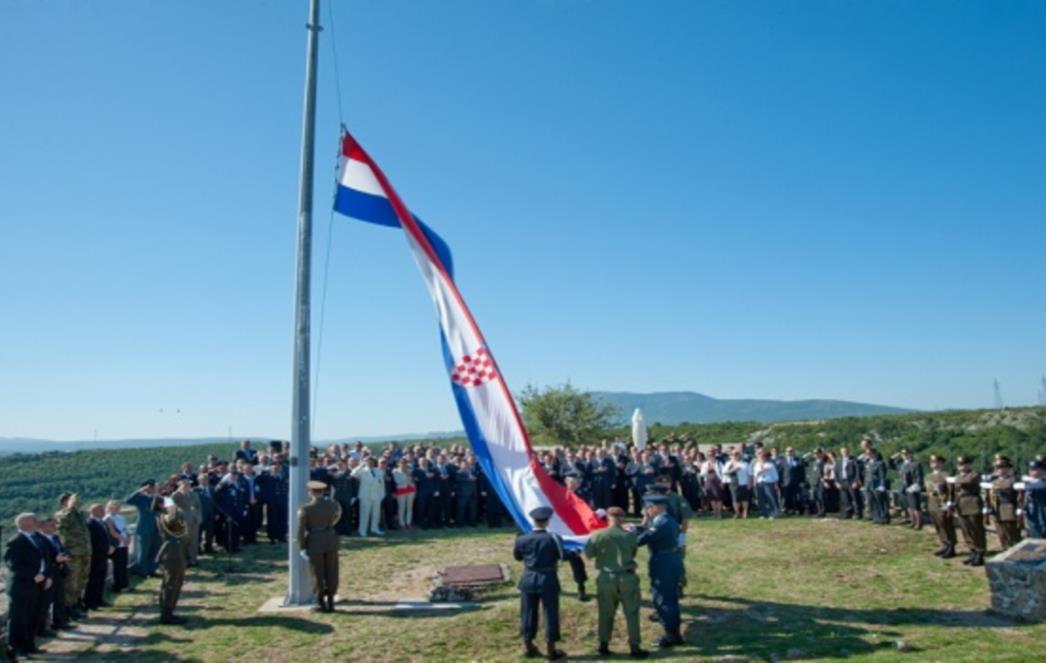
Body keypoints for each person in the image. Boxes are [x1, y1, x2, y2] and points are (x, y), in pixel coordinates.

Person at [583, 506, 647, 660]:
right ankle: (634, 646)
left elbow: (588, 554)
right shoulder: (630, 536)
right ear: (622, 518)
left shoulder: (597, 535)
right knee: (631, 613)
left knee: (605, 612)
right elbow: (633, 552)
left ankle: (603, 645)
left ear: (607, 518)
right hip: (627, 577)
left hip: (606, 578)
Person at [513, 506, 566, 661]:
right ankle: (551, 649)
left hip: (528, 576)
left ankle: (528, 645)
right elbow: (561, 556)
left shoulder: (522, 538)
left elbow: (517, 557)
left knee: (528, 612)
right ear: (547, 521)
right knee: (550, 613)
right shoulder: (553, 538)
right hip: (548, 576)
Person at [633, 494, 684, 648]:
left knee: (663, 598)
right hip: (669, 560)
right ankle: (674, 632)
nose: (646, 511)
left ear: (657, 507)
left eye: (648, 507)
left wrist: (626, 535)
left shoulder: (662, 522)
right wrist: (636, 528)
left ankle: (670, 634)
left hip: (663, 563)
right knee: (669, 597)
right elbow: (647, 530)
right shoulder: (665, 519)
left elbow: (641, 540)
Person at [4, 513, 49, 659]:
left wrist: (45, 576)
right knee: (19, 618)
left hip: (37, 583)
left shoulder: (36, 538)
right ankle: (16, 649)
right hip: (21, 586)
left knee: (33, 615)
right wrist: (32, 575)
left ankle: (29, 645)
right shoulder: (16, 541)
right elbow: (13, 565)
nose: (38, 522)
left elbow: (44, 559)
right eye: (34, 520)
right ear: (24, 523)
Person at [297, 480, 342, 613]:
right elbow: (336, 518)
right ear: (323, 492)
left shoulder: (306, 508)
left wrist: (302, 546)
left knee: (317, 573)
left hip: (315, 540)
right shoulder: (332, 505)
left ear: (310, 492)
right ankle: (331, 600)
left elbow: (300, 530)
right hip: (330, 538)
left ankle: (320, 602)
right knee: (332, 571)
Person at [55, 492, 91, 616]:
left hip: (84, 552)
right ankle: (69, 608)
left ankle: (77, 603)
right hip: (73, 554)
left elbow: (87, 516)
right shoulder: (63, 515)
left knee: (81, 580)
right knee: (71, 582)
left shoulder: (79, 516)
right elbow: (61, 524)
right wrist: (70, 508)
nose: (77, 503)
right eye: (74, 501)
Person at [37, 517, 74, 633]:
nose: (54, 527)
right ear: (42, 526)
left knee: (59, 597)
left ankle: (59, 622)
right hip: (48, 572)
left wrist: (66, 555)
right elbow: (41, 556)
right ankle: (42, 627)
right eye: (51, 525)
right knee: (45, 601)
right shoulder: (39, 539)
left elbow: (63, 549)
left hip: (59, 571)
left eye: (55, 525)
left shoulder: (55, 537)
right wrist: (55, 559)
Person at [156, 495, 189, 624]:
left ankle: (169, 610)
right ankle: (166, 613)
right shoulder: (163, 517)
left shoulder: (167, 516)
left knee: (176, 582)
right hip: (171, 552)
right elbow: (174, 519)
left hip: (177, 550)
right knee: (171, 583)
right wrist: (172, 507)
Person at [952, 455, 987, 566]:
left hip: (972, 503)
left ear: (969, 465)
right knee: (966, 529)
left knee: (976, 529)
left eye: (964, 465)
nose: (961, 467)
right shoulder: (958, 476)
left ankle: (980, 552)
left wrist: (958, 479)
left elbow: (967, 481)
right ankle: (972, 550)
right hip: (961, 504)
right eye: (959, 465)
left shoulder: (974, 474)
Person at [126, 481, 161, 576]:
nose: (153, 489)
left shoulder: (159, 498)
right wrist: (140, 490)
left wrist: (158, 494)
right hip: (144, 527)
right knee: (143, 550)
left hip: (157, 527)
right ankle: (142, 571)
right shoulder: (141, 498)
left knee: (155, 549)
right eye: (151, 487)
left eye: (154, 487)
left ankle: (152, 569)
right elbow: (128, 500)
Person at [924, 455, 957, 559]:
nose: (934, 464)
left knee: (946, 525)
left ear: (941, 463)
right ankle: (944, 544)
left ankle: (951, 546)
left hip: (942, 503)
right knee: (938, 525)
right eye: (932, 462)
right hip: (932, 503)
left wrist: (950, 502)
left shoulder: (945, 475)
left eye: (937, 462)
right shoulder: (928, 476)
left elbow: (951, 490)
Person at [84, 503, 114, 610]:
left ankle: (99, 599)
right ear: (94, 511)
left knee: (102, 577)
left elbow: (106, 536)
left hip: (103, 554)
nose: (103, 511)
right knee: (94, 578)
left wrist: (110, 546)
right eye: (101, 510)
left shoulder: (102, 522)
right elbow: (92, 540)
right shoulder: (90, 523)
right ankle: (91, 602)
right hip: (96, 554)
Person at [987, 456, 1021, 551]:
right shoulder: (994, 481)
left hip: (1008, 509)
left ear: (1007, 468)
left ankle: (1015, 554)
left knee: (1012, 534)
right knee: (1002, 534)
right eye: (996, 467)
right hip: (997, 509)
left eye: (1001, 467)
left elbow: (1010, 489)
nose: (998, 470)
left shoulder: (1013, 480)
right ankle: (1005, 551)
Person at [353, 457, 385, 536]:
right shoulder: (362, 471)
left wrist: (382, 495)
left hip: (377, 495)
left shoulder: (378, 471)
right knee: (364, 514)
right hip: (365, 496)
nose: (371, 464)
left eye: (372, 462)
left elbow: (382, 484)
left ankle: (375, 529)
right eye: (369, 462)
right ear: (366, 463)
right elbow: (353, 474)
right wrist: (361, 464)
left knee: (376, 514)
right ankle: (362, 530)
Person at [173, 479, 203, 565]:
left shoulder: (194, 494)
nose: (187, 486)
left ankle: (193, 558)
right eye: (185, 485)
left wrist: (199, 517)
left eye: (188, 485)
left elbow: (198, 506)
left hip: (194, 520)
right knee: (184, 540)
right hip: (182, 519)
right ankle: (183, 559)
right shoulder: (177, 494)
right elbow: (169, 505)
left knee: (194, 539)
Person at [104, 500, 130, 591]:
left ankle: (124, 584)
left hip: (124, 543)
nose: (117, 509)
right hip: (117, 544)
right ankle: (118, 585)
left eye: (118, 507)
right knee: (118, 566)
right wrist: (123, 539)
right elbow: (112, 532)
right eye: (114, 507)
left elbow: (125, 528)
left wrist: (128, 538)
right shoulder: (108, 518)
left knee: (124, 564)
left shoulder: (120, 518)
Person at [897, 450, 924, 529]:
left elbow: (919, 476)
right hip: (903, 487)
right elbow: (890, 463)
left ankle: (919, 523)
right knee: (908, 506)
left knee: (915, 506)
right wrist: (896, 455)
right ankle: (913, 521)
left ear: (910, 454)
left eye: (906, 454)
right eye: (903, 454)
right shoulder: (902, 464)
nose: (904, 455)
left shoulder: (915, 464)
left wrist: (917, 485)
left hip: (912, 487)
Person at [864, 450, 890, 525]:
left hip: (877, 484)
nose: (868, 455)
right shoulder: (868, 463)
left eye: (869, 453)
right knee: (871, 501)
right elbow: (866, 475)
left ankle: (884, 518)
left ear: (874, 454)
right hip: (868, 485)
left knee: (880, 501)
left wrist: (882, 485)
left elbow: (882, 476)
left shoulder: (880, 463)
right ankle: (876, 517)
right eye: (867, 454)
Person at [836, 446, 862, 519]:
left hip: (851, 481)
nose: (845, 453)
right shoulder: (839, 461)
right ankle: (848, 512)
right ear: (841, 452)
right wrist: (837, 482)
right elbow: (836, 472)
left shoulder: (854, 460)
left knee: (855, 497)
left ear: (849, 451)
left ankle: (858, 513)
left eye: (846, 451)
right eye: (843, 451)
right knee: (845, 498)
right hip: (842, 481)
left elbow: (857, 471)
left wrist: (856, 481)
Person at [1022, 460, 1046, 539]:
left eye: (1035, 469)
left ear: (1043, 471)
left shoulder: (1042, 483)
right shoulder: (1029, 483)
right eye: (1030, 469)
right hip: (1032, 517)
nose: (1031, 471)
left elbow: (1041, 486)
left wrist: (1026, 486)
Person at [392, 458, 416, 529]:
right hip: (401, 490)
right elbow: (397, 481)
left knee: (409, 507)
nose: (403, 464)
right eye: (402, 463)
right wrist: (405, 474)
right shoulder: (395, 471)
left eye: (405, 463)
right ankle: (401, 523)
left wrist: (410, 476)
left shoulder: (409, 470)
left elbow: (413, 480)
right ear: (398, 464)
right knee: (401, 507)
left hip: (410, 489)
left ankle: (408, 523)